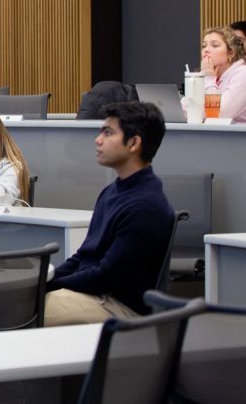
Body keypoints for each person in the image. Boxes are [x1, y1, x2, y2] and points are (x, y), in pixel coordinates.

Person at [44, 102, 173, 326]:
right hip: (96, 295)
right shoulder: (112, 191)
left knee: (28, 309)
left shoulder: (145, 205)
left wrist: (48, 285)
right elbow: (83, 257)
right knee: (20, 299)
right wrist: (45, 280)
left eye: (108, 132)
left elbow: (106, 276)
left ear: (134, 143)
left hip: (121, 307)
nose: (98, 139)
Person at [201, 25, 246, 123]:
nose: (206, 50)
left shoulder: (245, 74)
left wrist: (209, 77)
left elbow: (217, 114)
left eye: (215, 45)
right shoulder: (207, 74)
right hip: (217, 135)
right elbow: (186, 110)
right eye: (204, 45)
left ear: (231, 53)